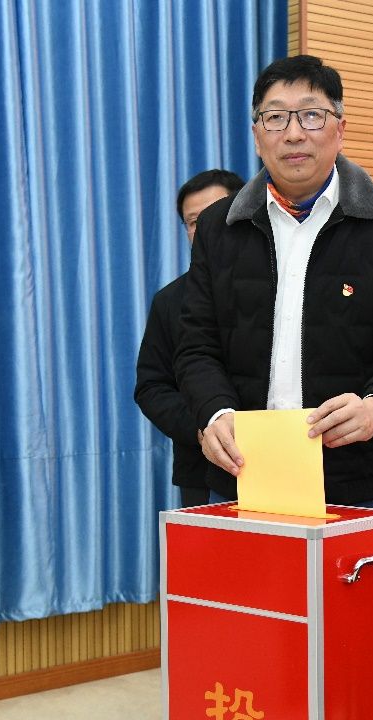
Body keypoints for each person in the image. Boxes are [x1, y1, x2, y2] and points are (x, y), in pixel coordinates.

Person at [176, 55, 373, 507]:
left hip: (350, 473)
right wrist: (215, 411)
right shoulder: (219, 225)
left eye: (311, 115)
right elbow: (195, 344)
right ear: (257, 136)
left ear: (340, 128)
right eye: (276, 117)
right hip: (241, 468)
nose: (294, 133)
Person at [134, 169, 245, 508]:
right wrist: (204, 428)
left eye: (215, 212)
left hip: (290, 462)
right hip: (203, 469)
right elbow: (152, 387)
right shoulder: (170, 301)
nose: (203, 226)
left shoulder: (287, 283)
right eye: (193, 221)